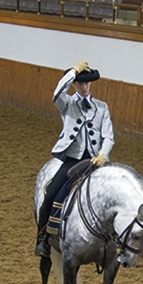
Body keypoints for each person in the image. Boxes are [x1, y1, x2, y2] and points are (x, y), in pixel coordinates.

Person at [34, 62, 114, 257]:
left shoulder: (102, 107)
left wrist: (103, 153)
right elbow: (56, 94)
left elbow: (109, 136)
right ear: (74, 85)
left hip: (96, 160)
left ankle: (115, 239)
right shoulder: (67, 104)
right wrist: (72, 73)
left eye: (86, 84)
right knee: (50, 195)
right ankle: (42, 238)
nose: (84, 87)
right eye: (79, 83)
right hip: (73, 160)